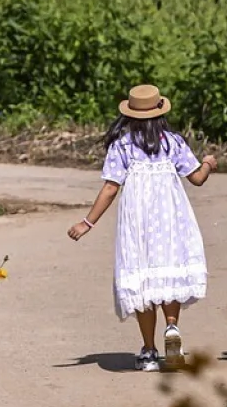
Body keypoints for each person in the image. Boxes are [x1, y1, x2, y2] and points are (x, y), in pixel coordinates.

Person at [69, 84, 216, 372]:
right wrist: (209, 163)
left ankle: (149, 351)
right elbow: (197, 178)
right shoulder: (173, 142)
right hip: (170, 221)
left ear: (130, 116)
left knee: (142, 278)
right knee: (167, 272)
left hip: (137, 223)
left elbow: (111, 188)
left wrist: (87, 222)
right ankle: (171, 327)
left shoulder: (122, 146)